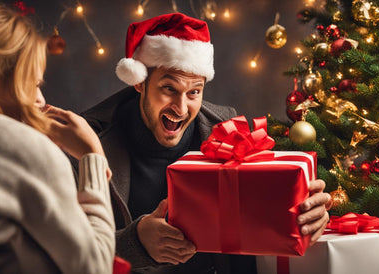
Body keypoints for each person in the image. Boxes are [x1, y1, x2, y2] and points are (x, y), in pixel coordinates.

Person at [80, 13, 331, 273]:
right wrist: (136, 244)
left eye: (194, 92)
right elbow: (66, 250)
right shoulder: (87, 141)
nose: (180, 108)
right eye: (169, 88)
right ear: (140, 83)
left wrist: (305, 215)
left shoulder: (228, 129)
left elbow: (256, 221)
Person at [0, 1, 115, 273]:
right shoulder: (15, 146)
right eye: (32, 83)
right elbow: (95, 267)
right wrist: (93, 156)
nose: (41, 100)